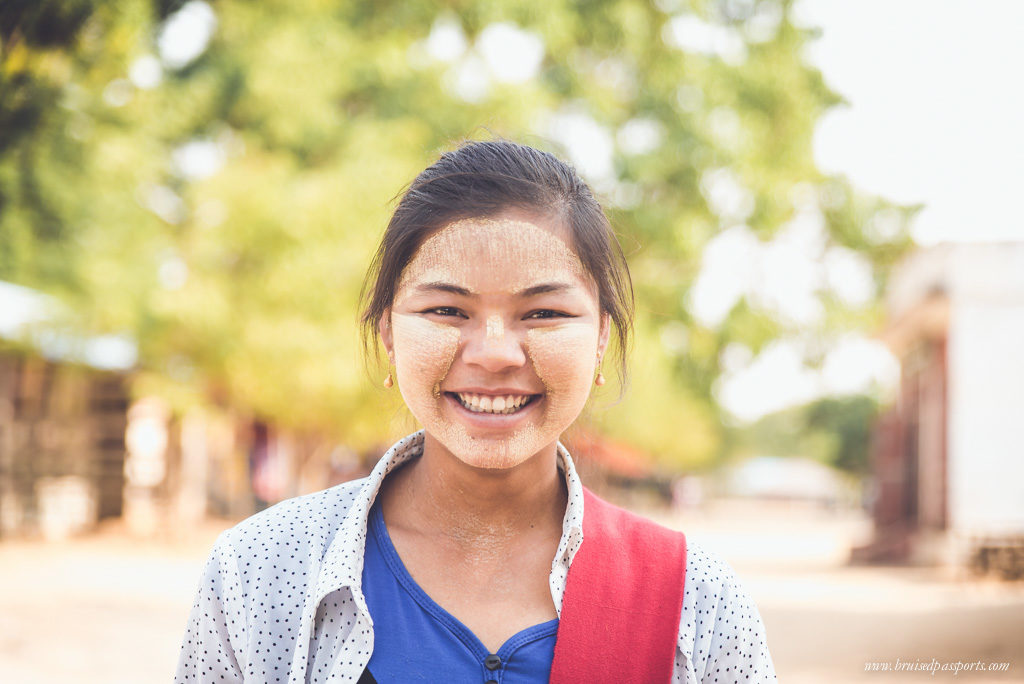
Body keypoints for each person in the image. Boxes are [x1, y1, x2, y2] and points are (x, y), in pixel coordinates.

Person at [174, 139, 776, 683]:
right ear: (388, 332)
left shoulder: (693, 602)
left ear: (600, 340)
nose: (494, 355)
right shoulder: (261, 573)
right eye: (446, 311)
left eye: (543, 313)